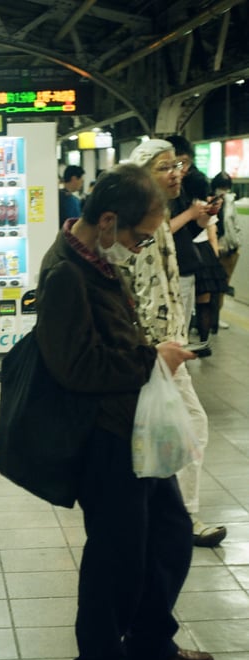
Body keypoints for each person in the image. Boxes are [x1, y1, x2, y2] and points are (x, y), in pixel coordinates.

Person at [35, 163, 214, 660]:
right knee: (117, 556)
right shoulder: (66, 272)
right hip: (104, 439)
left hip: (133, 429)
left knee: (169, 534)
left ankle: (149, 639)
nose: (139, 249)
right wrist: (150, 359)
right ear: (108, 221)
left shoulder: (99, 259)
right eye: (138, 236)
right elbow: (76, 367)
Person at [126, 139, 227, 548]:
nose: (176, 173)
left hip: (161, 346)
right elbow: (137, 291)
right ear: (143, 174)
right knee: (187, 426)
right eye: (165, 166)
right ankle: (179, 518)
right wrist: (157, 350)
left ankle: (166, 516)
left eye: (179, 166)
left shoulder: (156, 215)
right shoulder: (142, 221)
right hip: (153, 351)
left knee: (166, 431)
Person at [164, 135, 227, 346]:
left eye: (185, 164)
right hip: (170, 271)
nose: (182, 170)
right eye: (175, 164)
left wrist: (206, 215)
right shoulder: (154, 198)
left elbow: (188, 232)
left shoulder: (179, 193)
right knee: (173, 330)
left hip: (186, 266)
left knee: (181, 327)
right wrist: (190, 214)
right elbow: (158, 234)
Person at [210, 170, 242, 330]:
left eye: (226, 187)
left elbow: (235, 225)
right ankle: (209, 318)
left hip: (230, 250)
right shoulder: (209, 201)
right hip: (215, 250)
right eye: (221, 187)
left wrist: (237, 244)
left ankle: (217, 317)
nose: (223, 191)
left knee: (223, 287)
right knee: (211, 288)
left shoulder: (230, 202)